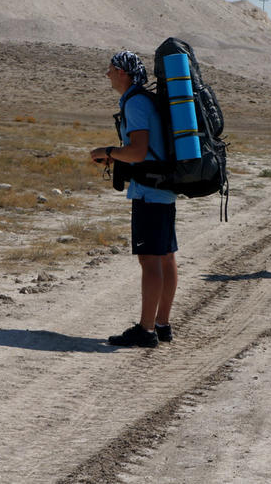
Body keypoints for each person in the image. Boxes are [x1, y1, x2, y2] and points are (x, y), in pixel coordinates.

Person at [90, 50, 178, 348]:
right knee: (165, 257)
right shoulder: (144, 100)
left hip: (149, 191)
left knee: (150, 260)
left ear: (123, 73)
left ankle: (146, 330)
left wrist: (107, 152)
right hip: (162, 187)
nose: (108, 74)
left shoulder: (136, 103)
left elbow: (138, 151)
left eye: (111, 69)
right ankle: (161, 324)